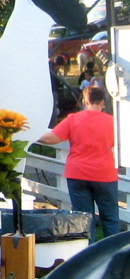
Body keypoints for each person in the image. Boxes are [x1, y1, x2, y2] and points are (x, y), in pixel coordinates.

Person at [38, 86, 119, 240]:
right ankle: (112, 254)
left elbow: (51, 138)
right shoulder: (112, 122)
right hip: (105, 174)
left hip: (78, 173)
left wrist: (29, 133)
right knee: (110, 218)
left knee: (82, 219)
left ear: (84, 102)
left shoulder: (73, 119)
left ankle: (86, 255)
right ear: (102, 102)